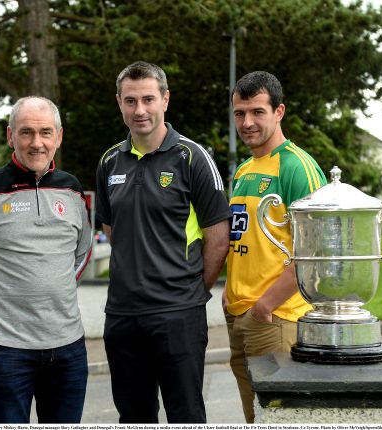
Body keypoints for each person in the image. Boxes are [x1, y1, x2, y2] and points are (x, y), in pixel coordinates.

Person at [95, 61, 231, 423]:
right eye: (130, 101)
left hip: (178, 315)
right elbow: (112, 229)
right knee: (134, 416)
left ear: (165, 100)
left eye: (148, 99)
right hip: (123, 315)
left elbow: (218, 238)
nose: (140, 110)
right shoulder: (109, 161)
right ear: (119, 102)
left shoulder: (192, 157)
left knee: (185, 414)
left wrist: (187, 289)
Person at [0, 96, 92, 424]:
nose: (36, 143)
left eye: (45, 133)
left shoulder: (72, 191)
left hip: (68, 347)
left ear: (58, 136)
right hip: (4, 351)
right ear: (11, 136)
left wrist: (59, 291)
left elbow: (82, 253)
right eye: (26, 132)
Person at [223, 71, 327, 423]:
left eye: (257, 112)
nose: (247, 122)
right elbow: (243, 236)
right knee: (255, 417)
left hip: (275, 315)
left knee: (283, 418)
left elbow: (315, 252)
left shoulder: (297, 166)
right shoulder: (244, 169)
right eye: (240, 113)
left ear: (278, 111)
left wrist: (265, 306)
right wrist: (229, 293)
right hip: (240, 312)